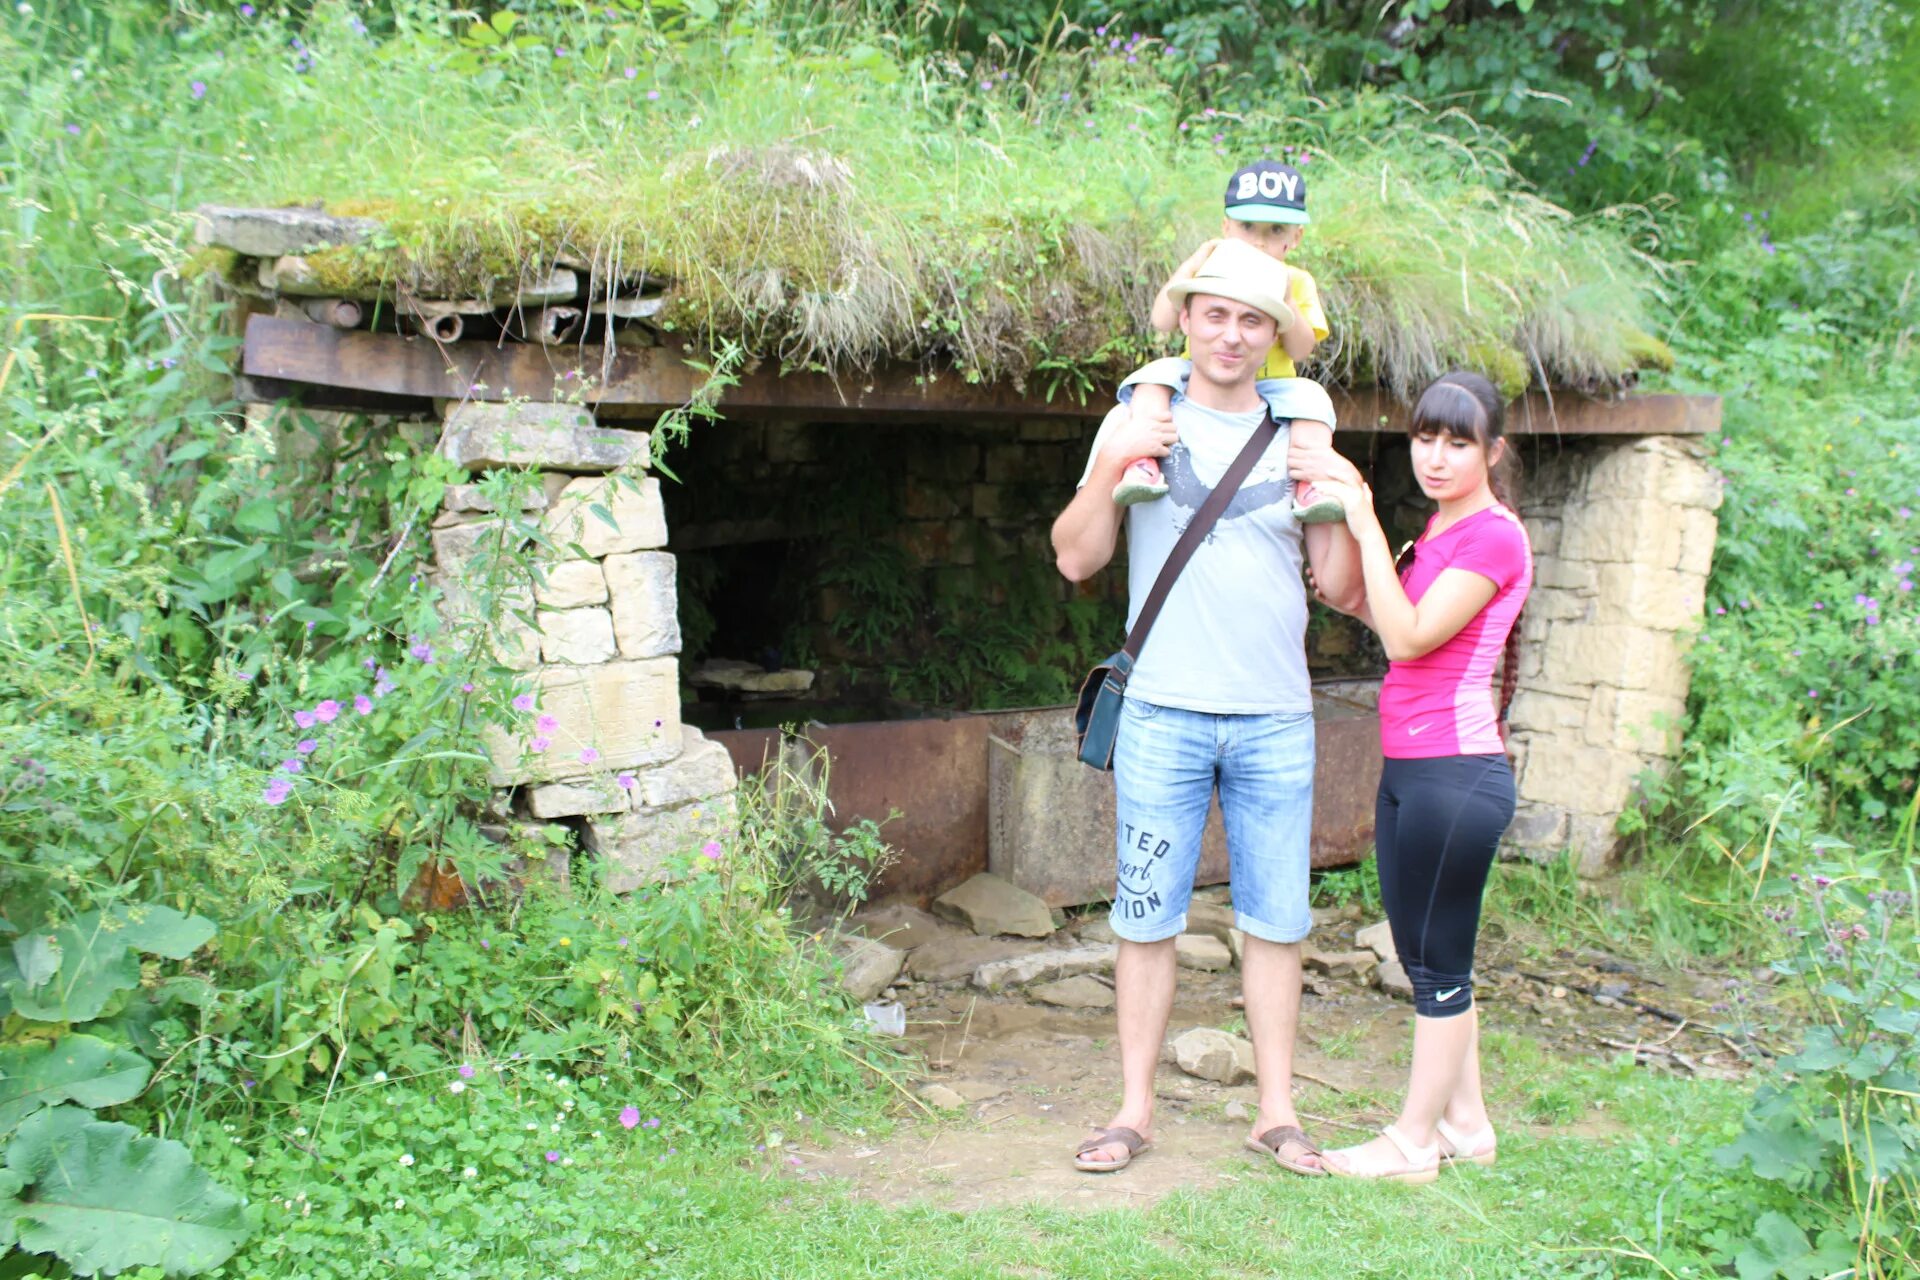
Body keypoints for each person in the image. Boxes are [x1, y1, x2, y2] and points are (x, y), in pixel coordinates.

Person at [1050, 236, 1365, 1175]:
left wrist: (1348, 503)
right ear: (1184, 319)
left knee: (1277, 920)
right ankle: (1133, 1111)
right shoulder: (1137, 425)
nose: (1230, 335)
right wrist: (1114, 469)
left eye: (1251, 320)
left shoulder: (1303, 433)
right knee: (1146, 916)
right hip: (1163, 714)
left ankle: (1276, 1112)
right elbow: (1074, 557)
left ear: (1273, 335)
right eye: (1214, 314)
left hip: (1275, 716)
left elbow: (1342, 588)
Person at [1299, 370, 1532, 1183]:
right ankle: (1466, 1124)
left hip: (1456, 773)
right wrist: (1350, 582)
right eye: (1425, 438)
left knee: (1439, 964)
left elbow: (1408, 644)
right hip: (1412, 767)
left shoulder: (1494, 538)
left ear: (1492, 452)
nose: (1435, 457)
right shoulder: (1438, 534)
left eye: (1457, 442)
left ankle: (1413, 1142)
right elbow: (1394, 618)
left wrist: (1363, 517)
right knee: (1420, 949)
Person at [1112, 160, 1335, 524]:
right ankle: (1143, 462)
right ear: (1225, 227)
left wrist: (1287, 300)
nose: (1259, 240)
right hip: (1201, 374)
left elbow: (1300, 350)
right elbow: (1162, 320)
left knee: (1312, 400)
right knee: (1152, 378)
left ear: (1295, 238)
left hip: (1274, 385)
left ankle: (1310, 483)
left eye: (1275, 229)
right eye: (1247, 227)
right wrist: (1194, 263)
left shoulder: (1297, 280)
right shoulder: (1207, 270)